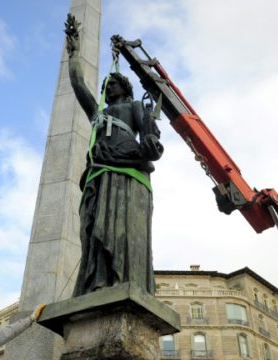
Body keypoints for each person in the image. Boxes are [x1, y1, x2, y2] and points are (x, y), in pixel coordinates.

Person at [64, 14, 163, 297]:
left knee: (122, 229)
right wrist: (74, 54)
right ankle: (98, 279)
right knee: (94, 227)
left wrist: (149, 144)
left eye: (113, 84)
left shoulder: (133, 106)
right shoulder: (99, 114)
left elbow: (149, 137)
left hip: (127, 174)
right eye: (106, 85)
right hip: (100, 173)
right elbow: (79, 85)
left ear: (124, 87)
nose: (107, 87)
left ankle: (122, 278)